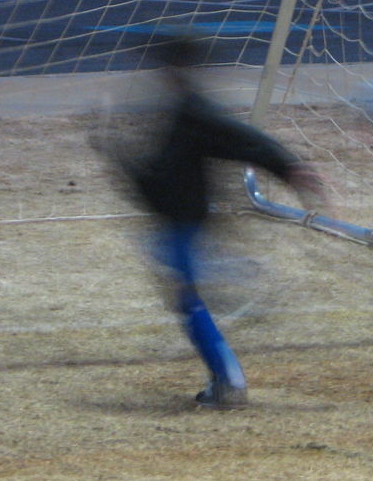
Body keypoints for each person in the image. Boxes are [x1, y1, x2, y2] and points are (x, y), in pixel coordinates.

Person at [104, 32, 327, 409]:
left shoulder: (195, 112)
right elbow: (161, 175)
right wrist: (119, 157)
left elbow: (245, 139)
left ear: (177, 69)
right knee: (183, 293)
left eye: (164, 66)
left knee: (187, 298)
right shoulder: (180, 110)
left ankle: (229, 379)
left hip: (185, 224)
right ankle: (233, 295)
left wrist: (291, 167)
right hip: (177, 222)